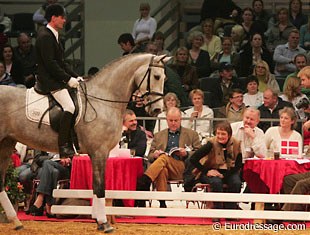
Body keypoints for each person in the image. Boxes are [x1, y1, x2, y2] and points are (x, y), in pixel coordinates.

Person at [35, 4, 82, 158]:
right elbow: (50, 64)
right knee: (69, 107)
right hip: (49, 81)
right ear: (54, 18)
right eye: (62, 17)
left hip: (56, 78)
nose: (64, 20)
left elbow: (62, 63)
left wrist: (76, 76)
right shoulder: (45, 36)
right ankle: (63, 145)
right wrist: (68, 79)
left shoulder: (54, 35)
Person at [136, 107, 201, 208]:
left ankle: (145, 180)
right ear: (166, 120)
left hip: (183, 168)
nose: (173, 123)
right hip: (163, 167)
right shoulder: (158, 135)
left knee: (163, 158)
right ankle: (162, 203)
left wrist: (186, 153)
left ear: (181, 120)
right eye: (171, 120)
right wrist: (155, 154)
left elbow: (200, 153)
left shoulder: (192, 134)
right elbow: (149, 156)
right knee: (162, 169)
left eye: (176, 120)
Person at [183, 121, 242, 214]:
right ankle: (217, 210)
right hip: (210, 170)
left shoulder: (236, 143)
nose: (220, 136)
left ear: (229, 135)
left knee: (236, 182)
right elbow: (193, 159)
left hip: (229, 171)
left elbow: (238, 164)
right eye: (218, 133)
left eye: (223, 134)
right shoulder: (210, 143)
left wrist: (225, 175)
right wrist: (207, 171)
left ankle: (230, 210)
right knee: (216, 182)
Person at [29, 153, 71, 217]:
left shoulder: (66, 144)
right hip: (49, 166)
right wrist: (53, 159)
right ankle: (49, 205)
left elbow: (78, 154)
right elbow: (38, 158)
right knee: (54, 171)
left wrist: (69, 159)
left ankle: (41, 197)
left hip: (65, 168)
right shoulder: (46, 144)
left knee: (47, 163)